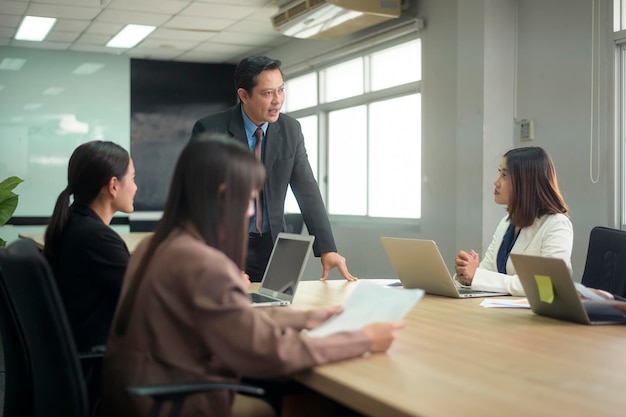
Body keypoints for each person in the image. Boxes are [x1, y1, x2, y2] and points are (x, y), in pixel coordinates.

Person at [100, 135, 404, 417]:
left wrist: (306, 318)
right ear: (223, 194)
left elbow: (229, 319)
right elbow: (271, 353)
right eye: (249, 199)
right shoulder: (201, 264)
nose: (248, 211)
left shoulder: (157, 245)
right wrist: (363, 339)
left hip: (137, 395)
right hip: (176, 403)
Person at [190, 55, 356, 283]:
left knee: (279, 310)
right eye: (268, 93)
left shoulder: (291, 130)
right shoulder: (210, 130)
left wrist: (327, 248)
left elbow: (307, 190)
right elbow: (199, 199)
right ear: (244, 95)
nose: (277, 100)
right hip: (224, 245)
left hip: (274, 245)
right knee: (228, 312)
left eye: (281, 90)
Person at [43, 140, 137, 352]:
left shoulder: (73, 224)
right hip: (102, 364)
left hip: (82, 357)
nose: (136, 187)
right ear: (113, 185)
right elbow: (142, 296)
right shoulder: (96, 238)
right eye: (133, 178)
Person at [454, 146, 573, 296]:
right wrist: (466, 274)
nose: (496, 182)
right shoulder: (506, 223)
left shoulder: (557, 225)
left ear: (525, 182)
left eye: (504, 175)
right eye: (499, 173)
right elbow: (487, 271)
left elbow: (549, 285)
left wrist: (477, 276)